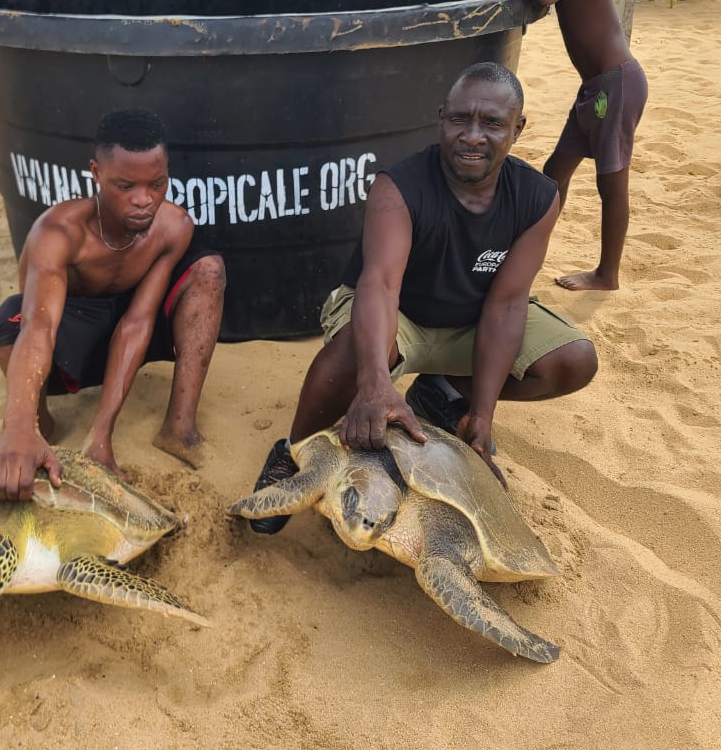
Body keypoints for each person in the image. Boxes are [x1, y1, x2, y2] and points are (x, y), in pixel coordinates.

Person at [247, 63, 598, 534]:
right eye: (460, 120)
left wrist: (483, 416)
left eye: (492, 123)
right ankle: (293, 453)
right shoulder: (400, 186)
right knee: (354, 353)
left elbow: (508, 303)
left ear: (518, 128)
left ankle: (442, 392)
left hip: (471, 317)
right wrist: (374, 382)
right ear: (440, 119)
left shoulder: (537, 197)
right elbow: (380, 284)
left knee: (573, 360)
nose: (472, 136)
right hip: (398, 314)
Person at [0, 108, 225, 502]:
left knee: (209, 270)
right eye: (125, 185)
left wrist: (101, 435)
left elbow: (137, 322)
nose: (143, 200)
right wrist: (18, 425)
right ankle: (36, 425)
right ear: (96, 174)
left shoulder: (173, 226)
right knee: (10, 318)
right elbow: (39, 327)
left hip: (129, 329)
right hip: (68, 337)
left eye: (157, 184)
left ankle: (179, 429)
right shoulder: (58, 232)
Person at [506, 0, 649, 292]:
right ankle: (529, 253)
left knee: (611, 180)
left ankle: (607, 274)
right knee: (554, 172)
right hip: (595, 89)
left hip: (616, 86)